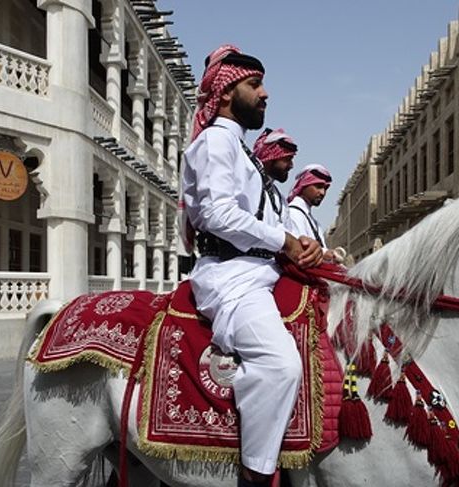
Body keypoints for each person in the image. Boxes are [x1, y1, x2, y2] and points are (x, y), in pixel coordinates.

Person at [181, 45, 322, 487]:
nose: (265, 94)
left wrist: (301, 246)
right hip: (231, 279)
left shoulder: (241, 151)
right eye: (254, 85)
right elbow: (216, 214)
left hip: (261, 272)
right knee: (282, 365)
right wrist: (283, 240)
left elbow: (264, 223)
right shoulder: (216, 142)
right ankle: (255, 475)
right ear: (225, 94)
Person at [287, 164, 337, 261]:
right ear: (303, 185)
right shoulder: (293, 213)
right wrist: (324, 253)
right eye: (318, 186)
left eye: (325, 188)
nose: (322, 193)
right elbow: (299, 252)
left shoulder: (313, 221)